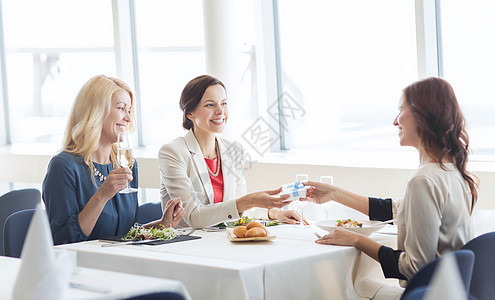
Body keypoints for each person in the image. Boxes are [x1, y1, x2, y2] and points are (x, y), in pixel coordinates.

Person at [303, 77, 478, 292]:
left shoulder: (423, 180)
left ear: (422, 115)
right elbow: (397, 210)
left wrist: (357, 240)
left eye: (401, 110)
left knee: (344, 290)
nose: (396, 121)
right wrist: (333, 193)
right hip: (452, 293)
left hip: (426, 295)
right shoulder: (451, 172)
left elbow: (414, 267)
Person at [43, 75, 184, 245]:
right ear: (95, 112)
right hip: (84, 265)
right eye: (121, 108)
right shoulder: (64, 166)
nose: (128, 118)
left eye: (129, 110)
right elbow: (64, 239)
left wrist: (162, 224)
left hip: (120, 260)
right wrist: (102, 195)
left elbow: (125, 235)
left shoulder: (127, 164)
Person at [158, 75, 305, 229]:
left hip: (224, 241)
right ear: (190, 113)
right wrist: (249, 200)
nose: (220, 111)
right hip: (187, 244)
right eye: (210, 105)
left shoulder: (234, 149)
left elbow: (236, 211)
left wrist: (273, 213)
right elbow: (194, 217)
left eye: (224, 103)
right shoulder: (172, 152)